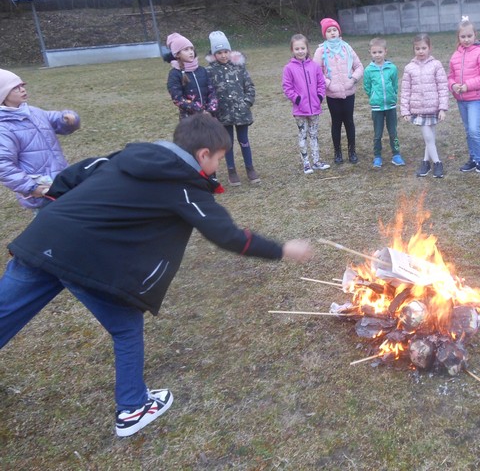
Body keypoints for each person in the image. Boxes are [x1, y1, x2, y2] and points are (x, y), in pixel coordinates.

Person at [0, 114, 312, 438]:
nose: (218, 166)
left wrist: (60, 212)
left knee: (5, 310)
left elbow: (74, 174)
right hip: (86, 258)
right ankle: (133, 408)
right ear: (203, 154)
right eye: (219, 159)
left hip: (42, 239)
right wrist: (283, 250)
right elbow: (228, 235)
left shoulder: (129, 156)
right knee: (125, 328)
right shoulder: (184, 185)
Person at [0, 68, 80, 210]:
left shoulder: (32, 112)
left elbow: (54, 119)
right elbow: (3, 164)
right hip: (41, 188)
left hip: (59, 178)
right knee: (52, 223)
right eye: (15, 88)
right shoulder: (4, 128)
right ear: (3, 95)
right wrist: (32, 187)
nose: (22, 90)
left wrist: (67, 120)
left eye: (22, 86)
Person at [206, 30, 260, 186]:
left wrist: (246, 103)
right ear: (214, 54)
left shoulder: (239, 67)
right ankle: (231, 171)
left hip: (241, 113)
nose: (223, 55)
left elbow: (249, 86)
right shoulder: (210, 71)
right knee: (227, 143)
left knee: (244, 141)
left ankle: (250, 168)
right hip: (223, 115)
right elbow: (208, 92)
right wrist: (213, 110)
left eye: (225, 52)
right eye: (219, 52)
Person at [313, 18, 364, 164]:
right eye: (328, 31)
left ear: (339, 31)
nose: (332, 33)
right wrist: (329, 84)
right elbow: (317, 72)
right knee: (336, 123)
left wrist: (352, 80)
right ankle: (337, 152)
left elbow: (359, 66)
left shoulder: (347, 47)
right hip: (332, 94)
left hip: (349, 92)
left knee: (349, 122)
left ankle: (352, 151)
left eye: (334, 30)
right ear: (325, 34)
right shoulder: (321, 51)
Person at [448, 17, 480, 176]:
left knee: (474, 129)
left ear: (475, 35)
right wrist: (453, 86)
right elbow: (450, 76)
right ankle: (473, 159)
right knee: (468, 131)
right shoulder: (455, 56)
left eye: (469, 36)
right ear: (458, 37)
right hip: (461, 101)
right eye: (463, 37)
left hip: (475, 99)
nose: (466, 40)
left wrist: (467, 86)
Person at [400, 34, 448, 179]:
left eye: (423, 48)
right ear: (413, 49)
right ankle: (438, 162)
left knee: (430, 137)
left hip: (433, 108)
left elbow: (443, 87)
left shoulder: (436, 65)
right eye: (417, 48)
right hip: (418, 109)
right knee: (428, 137)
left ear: (429, 48)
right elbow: (405, 90)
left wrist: (442, 108)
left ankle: (426, 162)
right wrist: (405, 111)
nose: (421, 51)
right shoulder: (409, 68)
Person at [282, 34, 331, 174]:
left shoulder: (314, 66)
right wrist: (297, 99)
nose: (300, 51)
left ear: (307, 48)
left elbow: (321, 83)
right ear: (292, 50)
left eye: (302, 48)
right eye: (297, 48)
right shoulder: (289, 68)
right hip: (300, 111)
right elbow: (287, 87)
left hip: (315, 108)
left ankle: (316, 161)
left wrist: (320, 96)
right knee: (303, 135)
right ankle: (306, 164)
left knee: (314, 135)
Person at [363, 37, 405, 169]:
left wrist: (392, 95)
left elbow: (394, 84)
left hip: (390, 106)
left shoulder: (392, 68)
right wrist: (374, 97)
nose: (377, 55)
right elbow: (367, 87)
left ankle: (396, 154)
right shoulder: (368, 70)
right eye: (374, 52)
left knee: (393, 132)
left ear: (385, 52)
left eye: (380, 52)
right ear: (370, 52)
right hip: (377, 108)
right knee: (377, 134)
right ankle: (377, 156)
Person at [165, 32, 218, 119]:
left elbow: (212, 91)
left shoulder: (202, 70)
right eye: (186, 50)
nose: (190, 52)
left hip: (209, 117)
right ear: (177, 54)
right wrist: (199, 110)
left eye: (191, 49)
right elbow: (178, 98)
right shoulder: (175, 74)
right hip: (190, 119)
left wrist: (210, 109)